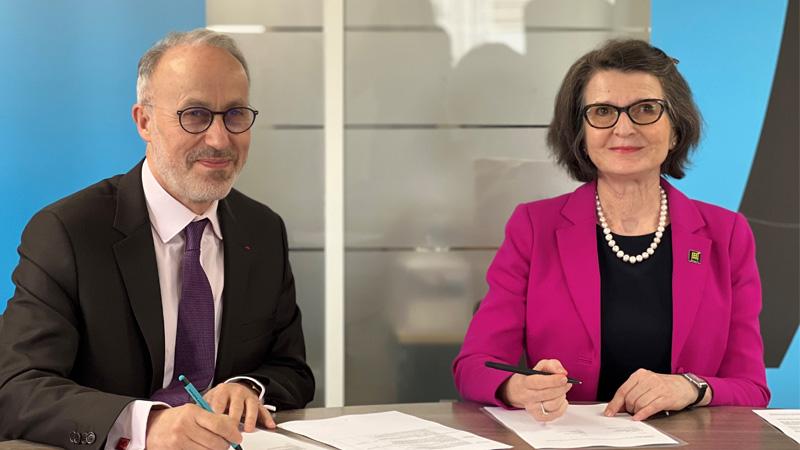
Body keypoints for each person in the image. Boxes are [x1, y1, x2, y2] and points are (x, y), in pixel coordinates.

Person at [0, 29, 314, 449]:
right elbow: (17, 386)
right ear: (145, 121)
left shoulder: (262, 229)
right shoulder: (68, 232)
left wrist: (246, 387)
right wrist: (145, 425)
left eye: (235, 114)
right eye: (195, 115)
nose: (220, 139)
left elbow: (291, 369)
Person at [452, 39, 769, 422]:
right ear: (581, 135)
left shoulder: (726, 234)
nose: (624, 127)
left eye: (646, 109)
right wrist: (518, 388)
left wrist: (690, 386)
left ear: (675, 130)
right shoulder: (534, 227)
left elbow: (751, 387)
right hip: (566, 442)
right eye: (602, 111)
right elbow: (475, 366)